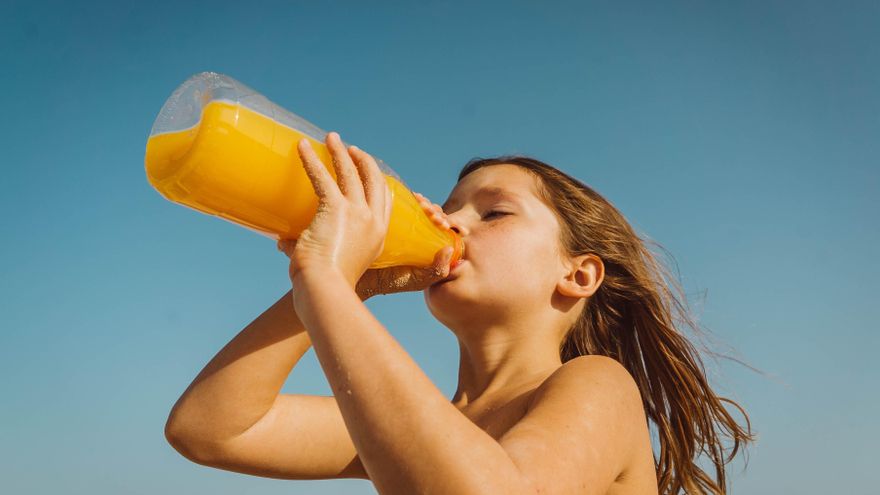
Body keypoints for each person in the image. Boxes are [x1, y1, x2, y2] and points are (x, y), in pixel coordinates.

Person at [164, 131, 755, 494]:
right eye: (446, 211)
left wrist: (325, 282)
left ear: (578, 275)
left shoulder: (597, 383)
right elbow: (211, 429)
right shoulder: (428, 424)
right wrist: (349, 284)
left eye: (494, 214)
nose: (451, 224)